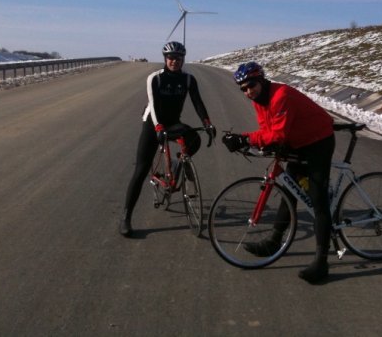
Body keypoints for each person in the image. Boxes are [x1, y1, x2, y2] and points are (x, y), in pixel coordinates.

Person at [222, 61, 335, 283]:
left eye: (251, 85)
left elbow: (278, 135)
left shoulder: (281, 95)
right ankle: (274, 241)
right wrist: (248, 141)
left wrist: (245, 138)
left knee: (318, 199)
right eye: (243, 89)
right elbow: (267, 131)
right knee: (289, 190)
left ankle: (322, 262)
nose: (248, 92)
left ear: (261, 80)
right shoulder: (259, 100)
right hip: (298, 142)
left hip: (318, 142)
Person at [119, 41, 216, 237]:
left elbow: (198, 102)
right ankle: (126, 217)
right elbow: (153, 106)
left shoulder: (188, 80)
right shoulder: (154, 78)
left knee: (195, 140)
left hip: (173, 122)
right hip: (153, 123)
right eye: (171, 58)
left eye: (179, 58)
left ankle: (180, 162)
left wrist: (207, 123)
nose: (175, 61)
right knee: (140, 170)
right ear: (165, 59)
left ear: (183, 60)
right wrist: (158, 128)